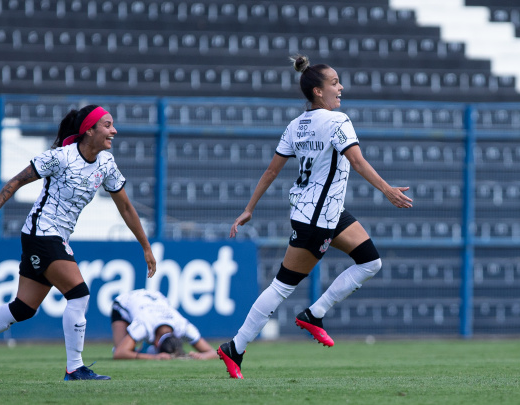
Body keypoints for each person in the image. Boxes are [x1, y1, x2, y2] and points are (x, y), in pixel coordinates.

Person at [217, 55, 413, 379]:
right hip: (317, 221)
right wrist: (386, 189)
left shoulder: (295, 125)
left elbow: (270, 171)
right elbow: (359, 161)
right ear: (318, 92)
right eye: (335, 83)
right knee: (282, 287)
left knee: (370, 261)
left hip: (325, 212)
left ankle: (315, 312)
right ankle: (235, 347)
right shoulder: (338, 122)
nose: (341, 88)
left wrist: (250, 207)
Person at [0, 104, 157, 381]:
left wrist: (146, 247)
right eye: (107, 125)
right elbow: (17, 181)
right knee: (79, 294)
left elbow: (126, 208)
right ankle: (75, 367)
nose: (114, 130)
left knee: (23, 308)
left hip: (53, 237)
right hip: (41, 233)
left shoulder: (106, 164)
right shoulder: (61, 157)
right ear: (89, 130)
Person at [111, 289, 218, 360]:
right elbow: (119, 353)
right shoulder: (144, 325)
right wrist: (154, 357)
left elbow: (213, 352)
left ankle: (143, 348)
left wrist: (202, 356)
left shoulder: (182, 326)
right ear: (157, 343)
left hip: (152, 300)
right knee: (122, 350)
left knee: (133, 351)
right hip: (124, 302)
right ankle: (145, 349)